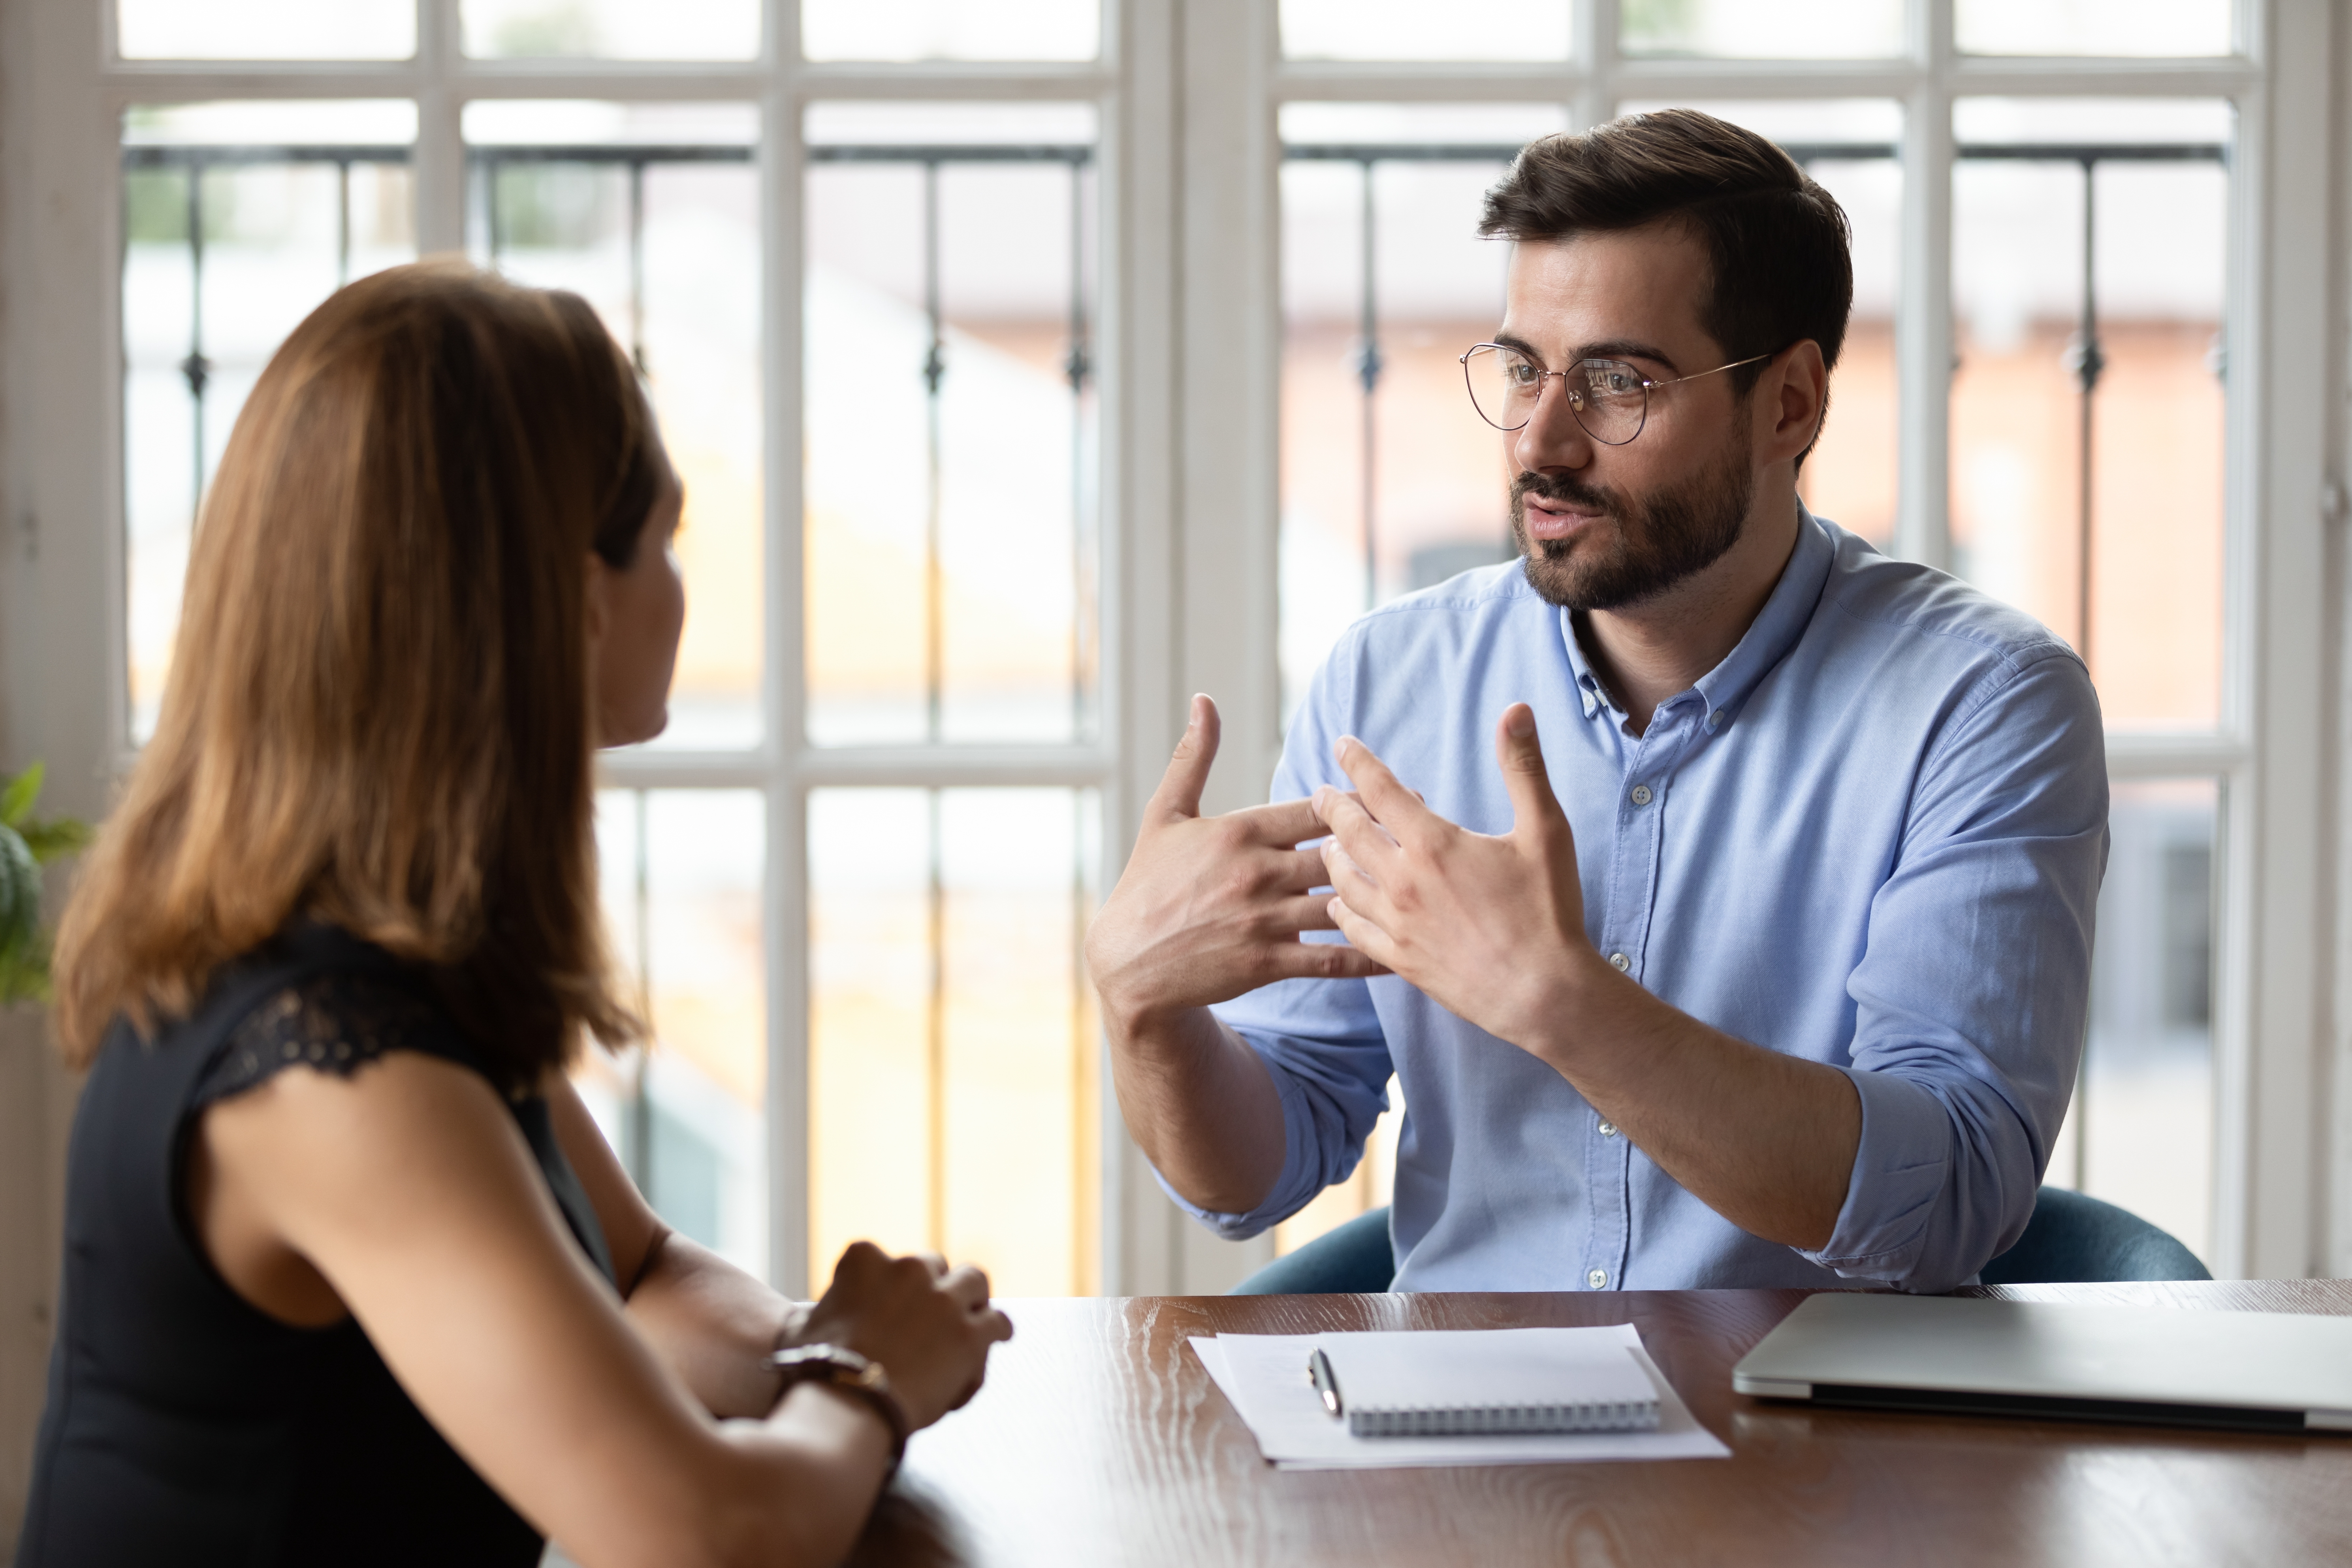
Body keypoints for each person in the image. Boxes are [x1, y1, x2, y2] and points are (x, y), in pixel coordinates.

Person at [17, 261, 1010, 1568]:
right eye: (663, 539)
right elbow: (709, 1537)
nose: (679, 586)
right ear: (569, 593)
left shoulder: (393, 966)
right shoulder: (334, 1069)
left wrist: (819, 1351)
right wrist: (864, 1379)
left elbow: (644, 1273)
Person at [1087, 109, 2107, 1295]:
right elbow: (1264, 1163)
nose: (1541, 440)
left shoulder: (1982, 706)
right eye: (1522, 367)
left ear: (1789, 405)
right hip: (1468, 1435)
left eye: (1619, 380)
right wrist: (1142, 1010)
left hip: (1827, 1446)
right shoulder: (1388, 682)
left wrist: (1561, 1004)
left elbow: (1951, 1200)